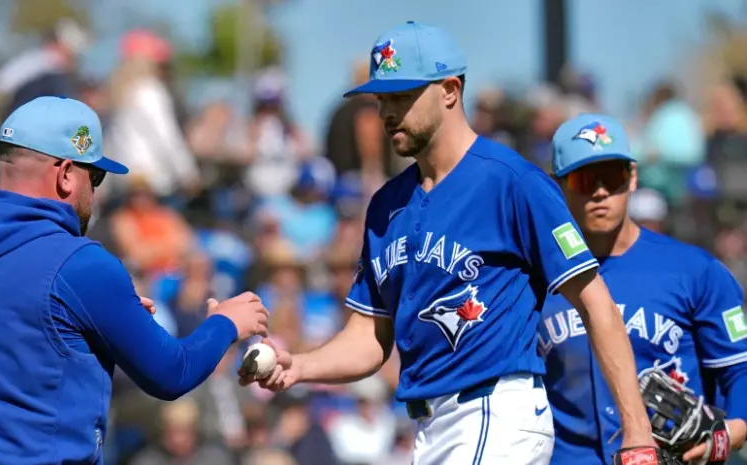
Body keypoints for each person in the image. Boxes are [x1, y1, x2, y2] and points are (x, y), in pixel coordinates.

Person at [239, 22, 660, 464]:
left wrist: (636, 432)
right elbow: (369, 336)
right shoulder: (386, 206)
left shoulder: (512, 182)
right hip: (430, 427)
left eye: (402, 96)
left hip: (495, 412)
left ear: (450, 90)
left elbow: (596, 303)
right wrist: (301, 366)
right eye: (382, 98)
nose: (387, 112)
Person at [0, 96, 270, 464]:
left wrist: (98, 322)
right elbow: (171, 373)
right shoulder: (81, 265)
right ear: (67, 174)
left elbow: (0, 336)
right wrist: (226, 323)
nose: (96, 192)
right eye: (96, 175)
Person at [539, 114, 747, 464]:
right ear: (557, 185)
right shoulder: (534, 276)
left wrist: (736, 428)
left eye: (614, 176)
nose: (601, 191)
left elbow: (739, 367)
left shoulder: (695, 271)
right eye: (584, 179)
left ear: (632, 177)